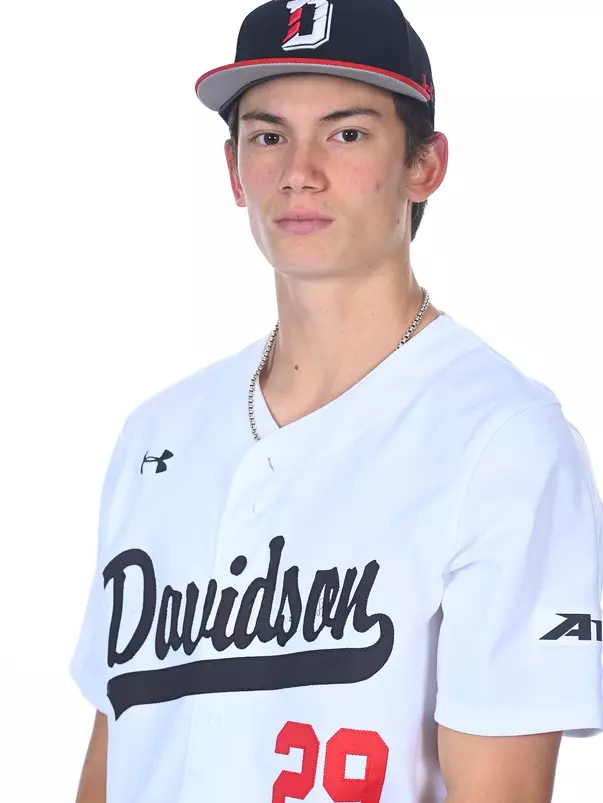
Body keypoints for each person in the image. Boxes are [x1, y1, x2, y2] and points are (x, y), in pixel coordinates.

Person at [70, 1, 603, 801]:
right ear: (232, 169)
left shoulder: (502, 439)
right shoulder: (158, 432)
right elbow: (117, 745)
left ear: (424, 165)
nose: (299, 170)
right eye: (267, 134)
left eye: (346, 133)